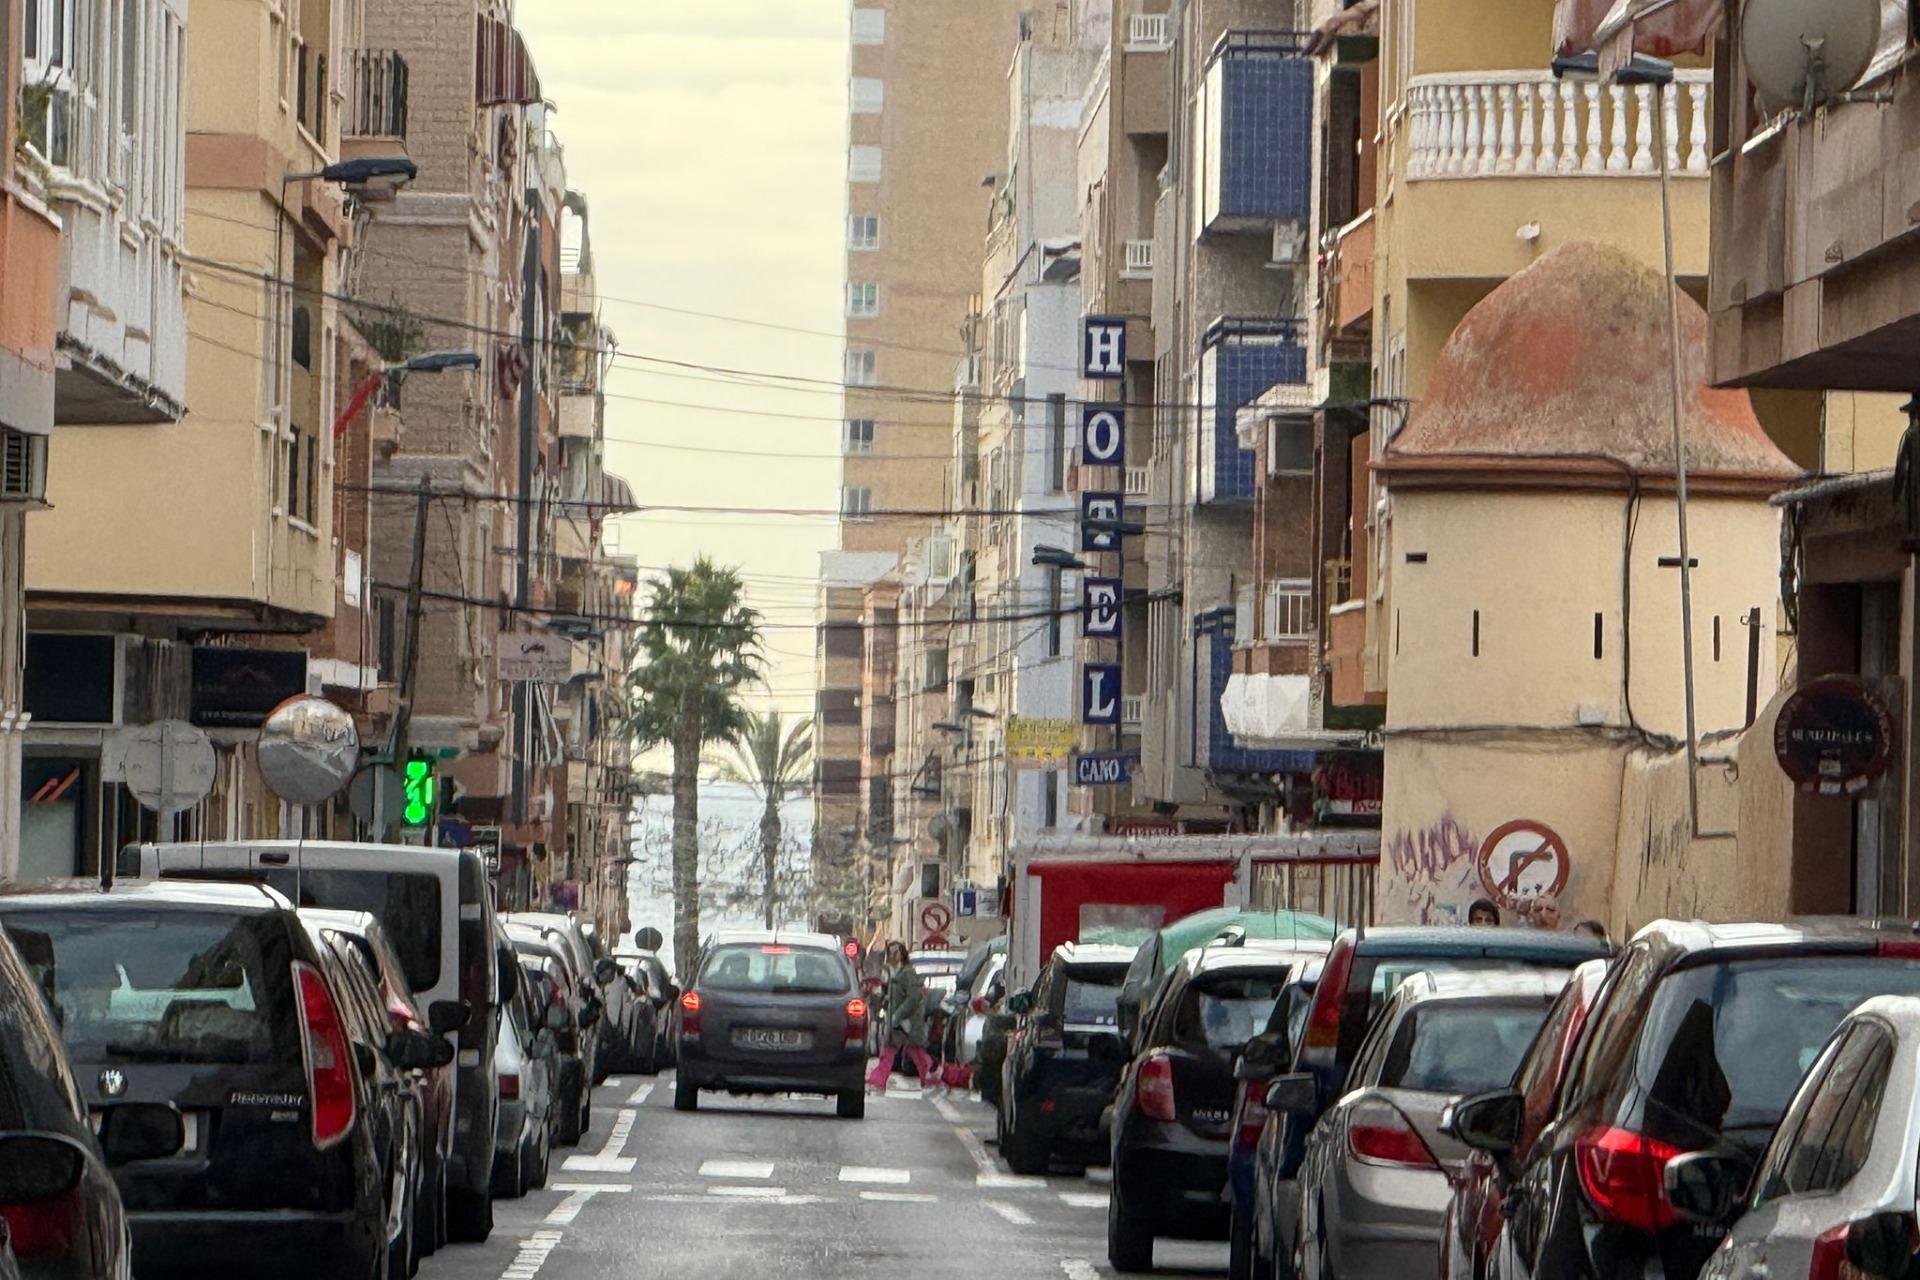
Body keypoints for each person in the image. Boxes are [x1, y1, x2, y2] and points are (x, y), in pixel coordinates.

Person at [867, 942, 937, 1093]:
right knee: (895, 1051)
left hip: (908, 1022)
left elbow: (913, 997)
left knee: (908, 1051)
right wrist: (885, 1001)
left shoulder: (907, 973)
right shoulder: (894, 972)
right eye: (891, 952)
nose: (893, 955)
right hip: (899, 1021)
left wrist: (897, 1016)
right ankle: (879, 1079)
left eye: (896, 952)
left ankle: (930, 1076)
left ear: (903, 954)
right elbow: (895, 996)